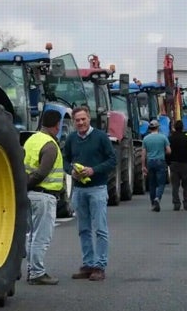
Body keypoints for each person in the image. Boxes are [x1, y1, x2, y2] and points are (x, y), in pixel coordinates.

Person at [63, 105, 116, 281]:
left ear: (89, 119)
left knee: (100, 229)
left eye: (83, 119)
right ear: (73, 122)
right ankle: (88, 264)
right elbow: (65, 158)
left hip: (98, 189)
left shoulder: (100, 137)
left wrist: (93, 170)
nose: (80, 123)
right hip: (79, 190)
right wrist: (70, 170)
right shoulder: (71, 139)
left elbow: (112, 160)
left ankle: (100, 266)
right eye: (77, 120)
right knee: (83, 229)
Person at [23, 109, 64, 285]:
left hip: (30, 195)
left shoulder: (31, 140)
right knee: (41, 237)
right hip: (44, 195)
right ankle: (37, 273)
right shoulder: (50, 145)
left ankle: (32, 271)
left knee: (32, 236)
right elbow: (41, 173)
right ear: (57, 126)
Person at [142, 119, 171, 212]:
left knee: (152, 184)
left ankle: (152, 204)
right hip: (160, 161)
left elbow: (143, 154)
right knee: (161, 183)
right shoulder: (163, 138)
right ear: (158, 127)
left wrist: (143, 166)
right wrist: (162, 153)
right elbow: (169, 151)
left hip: (150, 162)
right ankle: (157, 198)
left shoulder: (146, 139)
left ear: (150, 128)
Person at [168, 120, 187, 211]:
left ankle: (176, 204)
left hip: (174, 164)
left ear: (175, 127)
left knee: (175, 185)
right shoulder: (186, 138)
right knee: (186, 185)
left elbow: (168, 152)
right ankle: (186, 203)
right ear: (182, 127)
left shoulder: (171, 138)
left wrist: (169, 162)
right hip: (185, 164)